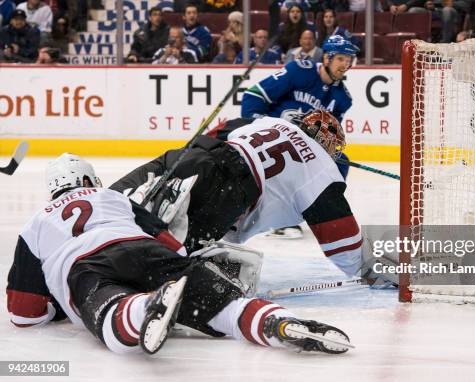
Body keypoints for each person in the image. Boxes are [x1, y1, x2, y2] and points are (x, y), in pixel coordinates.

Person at [7, 153, 352, 356]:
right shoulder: (113, 198)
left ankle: (145, 308)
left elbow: (23, 313)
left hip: (88, 267)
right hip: (147, 251)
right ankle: (276, 322)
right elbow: (172, 243)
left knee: (111, 315)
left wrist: (55, 309)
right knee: (226, 309)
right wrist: (186, 266)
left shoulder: (36, 223)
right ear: (89, 179)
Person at [110, 110, 366, 280]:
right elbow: (345, 246)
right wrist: (385, 269)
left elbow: (214, 132)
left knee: (108, 205)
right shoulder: (321, 168)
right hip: (228, 190)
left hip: (188, 156)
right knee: (159, 262)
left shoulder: (267, 122)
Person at [241, 34, 357, 236]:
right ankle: (278, 217)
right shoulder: (299, 70)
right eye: (341, 59)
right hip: (270, 134)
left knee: (340, 162)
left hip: (299, 144)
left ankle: (320, 214)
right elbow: (254, 95)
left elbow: (330, 137)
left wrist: (323, 143)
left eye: (348, 61)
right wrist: (256, 125)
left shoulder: (342, 98)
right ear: (327, 58)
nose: (345, 65)